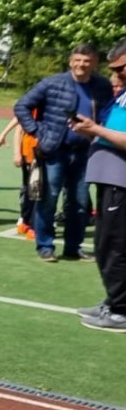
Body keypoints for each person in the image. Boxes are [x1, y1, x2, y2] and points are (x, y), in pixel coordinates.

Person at [13, 43, 115, 262]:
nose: (82, 65)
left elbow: (107, 113)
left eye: (87, 61)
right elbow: (22, 106)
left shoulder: (102, 86)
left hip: (85, 152)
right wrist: (38, 132)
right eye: (78, 60)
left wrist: (98, 130)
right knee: (48, 199)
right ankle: (45, 246)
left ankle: (73, 247)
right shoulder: (52, 83)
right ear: (70, 61)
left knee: (79, 203)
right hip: (54, 151)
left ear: (95, 63)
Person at [70, 40, 126, 330]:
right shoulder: (122, 95)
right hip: (109, 179)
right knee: (104, 244)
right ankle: (114, 300)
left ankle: (121, 309)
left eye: (121, 69)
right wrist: (90, 130)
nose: (116, 75)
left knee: (115, 246)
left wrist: (96, 130)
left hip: (121, 182)